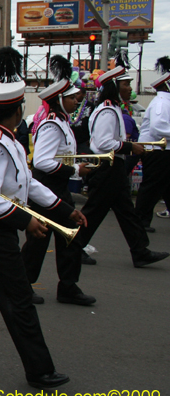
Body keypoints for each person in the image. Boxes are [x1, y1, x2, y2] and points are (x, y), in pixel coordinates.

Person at [0, 47, 86, 390]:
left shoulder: (8, 141)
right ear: (16, 110)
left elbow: (29, 182)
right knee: (18, 298)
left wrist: (65, 210)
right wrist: (26, 222)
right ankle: (39, 369)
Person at [68, 58, 169, 270]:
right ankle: (75, 246)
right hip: (108, 167)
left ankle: (140, 250)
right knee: (95, 211)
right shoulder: (107, 109)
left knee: (127, 213)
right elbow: (104, 143)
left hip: (113, 166)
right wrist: (130, 147)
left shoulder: (111, 107)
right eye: (126, 84)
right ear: (114, 87)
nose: (130, 88)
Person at [21, 56, 95, 306]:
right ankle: (24, 286)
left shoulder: (62, 121)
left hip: (57, 186)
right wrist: (75, 170)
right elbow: (41, 162)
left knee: (68, 236)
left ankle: (68, 286)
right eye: (73, 98)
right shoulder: (52, 124)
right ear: (60, 100)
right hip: (48, 188)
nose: (77, 101)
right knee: (38, 241)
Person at [134, 57, 170, 233]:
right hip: (157, 150)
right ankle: (140, 219)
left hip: (162, 150)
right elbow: (158, 128)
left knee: (163, 185)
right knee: (151, 186)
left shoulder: (165, 101)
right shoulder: (162, 103)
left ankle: (142, 218)